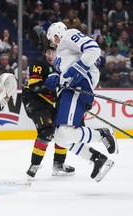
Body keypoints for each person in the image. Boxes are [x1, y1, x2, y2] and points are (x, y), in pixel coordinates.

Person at [45, 22, 118, 182]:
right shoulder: (60, 57)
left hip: (78, 87)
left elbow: (93, 49)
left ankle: (102, 134)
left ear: (57, 35)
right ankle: (97, 158)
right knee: (61, 137)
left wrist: (75, 70)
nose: (54, 43)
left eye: (52, 39)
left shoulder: (69, 35)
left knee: (64, 133)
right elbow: (62, 76)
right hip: (68, 92)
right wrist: (54, 80)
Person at [22, 43, 75, 178]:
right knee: (46, 131)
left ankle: (58, 163)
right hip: (34, 100)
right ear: (45, 53)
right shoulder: (39, 64)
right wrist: (54, 87)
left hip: (49, 103)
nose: (50, 56)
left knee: (62, 129)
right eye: (48, 53)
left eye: (53, 52)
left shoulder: (62, 66)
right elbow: (34, 86)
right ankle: (34, 165)